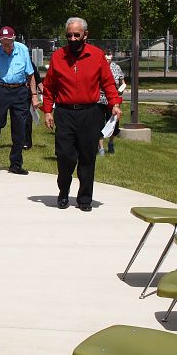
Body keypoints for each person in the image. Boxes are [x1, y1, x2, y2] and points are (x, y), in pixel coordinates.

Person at [42, 17, 122, 212]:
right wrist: (47, 111)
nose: (72, 39)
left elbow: (108, 83)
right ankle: (63, 192)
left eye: (76, 35)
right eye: (69, 35)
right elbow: (49, 87)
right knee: (65, 156)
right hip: (65, 113)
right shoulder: (58, 56)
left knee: (87, 157)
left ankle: (85, 198)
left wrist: (114, 104)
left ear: (85, 35)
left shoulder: (96, 55)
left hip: (90, 113)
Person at [0, 26, 38, 174]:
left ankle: (15, 163)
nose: (6, 45)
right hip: (0, 89)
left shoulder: (22, 50)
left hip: (20, 90)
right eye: (3, 42)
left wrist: (34, 95)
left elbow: (30, 74)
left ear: (14, 39)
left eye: (8, 42)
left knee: (20, 127)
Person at [98, 48, 125, 155]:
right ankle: (101, 148)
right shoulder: (98, 67)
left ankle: (110, 142)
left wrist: (121, 89)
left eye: (109, 55)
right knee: (99, 124)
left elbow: (123, 82)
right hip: (99, 100)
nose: (107, 58)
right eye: (105, 55)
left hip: (113, 100)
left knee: (114, 124)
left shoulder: (116, 68)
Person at [24, 61, 43, 150]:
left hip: (27, 95)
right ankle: (18, 141)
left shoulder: (30, 64)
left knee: (27, 118)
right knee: (17, 119)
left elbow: (38, 80)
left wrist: (46, 95)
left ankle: (27, 142)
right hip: (16, 94)